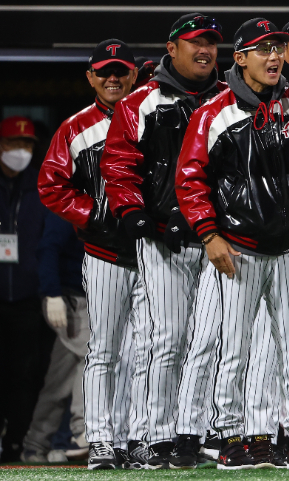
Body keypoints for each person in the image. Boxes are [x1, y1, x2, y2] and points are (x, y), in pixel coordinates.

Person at [174, 17, 289, 470]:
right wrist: (209, 234)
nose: (274, 57)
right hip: (237, 245)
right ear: (240, 58)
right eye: (263, 49)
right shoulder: (215, 112)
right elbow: (189, 179)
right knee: (233, 350)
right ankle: (232, 438)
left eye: (277, 48)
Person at [100, 14, 226, 469]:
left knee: (210, 341)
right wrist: (134, 213)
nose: (206, 49)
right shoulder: (140, 102)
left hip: (218, 240)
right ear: (172, 48)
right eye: (197, 42)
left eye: (212, 41)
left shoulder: (230, 98)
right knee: (168, 339)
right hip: (161, 239)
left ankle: (194, 434)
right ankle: (153, 436)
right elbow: (118, 164)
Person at [37, 39, 150, 470]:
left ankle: (138, 438)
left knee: (149, 348)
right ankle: (101, 439)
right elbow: (51, 186)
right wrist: (94, 214)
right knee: (104, 348)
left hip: (151, 250)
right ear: (90, 78)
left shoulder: (154, 116)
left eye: (121, 70)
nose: (113, 78)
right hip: (103, 249)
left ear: (134, 74)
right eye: (104, 71)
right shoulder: (74, 127)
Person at [21, 212, 87, 464]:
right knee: (95, 356)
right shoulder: (69, 201)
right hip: (70, 299)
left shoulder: (104, 196)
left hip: (90, 298)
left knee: (60, 378)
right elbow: (47, 247)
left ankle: (35, 444)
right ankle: (83, 430)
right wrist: (51, 293)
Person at [0, 116, 46, 463]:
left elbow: (50, 241)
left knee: (25, 375)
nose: (21, 150)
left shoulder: (41, 185)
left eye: (27, 144)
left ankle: (16, 442)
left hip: (29, 297)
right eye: (15, 144)